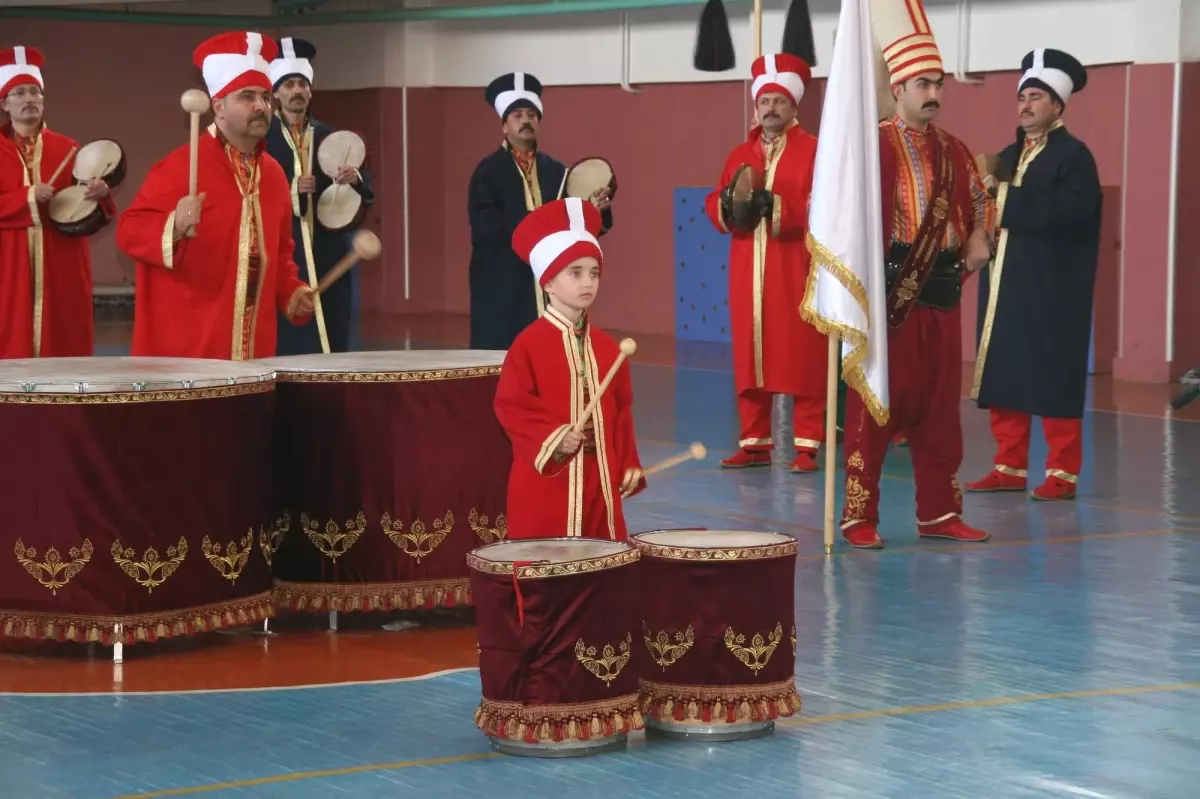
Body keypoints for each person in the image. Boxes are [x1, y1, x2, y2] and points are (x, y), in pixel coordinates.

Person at [839, 2, 995, 550]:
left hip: (943, 294)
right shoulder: (870, 145)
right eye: (922, 83)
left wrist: (980, 237)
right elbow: (834, 210)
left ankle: (940, 514)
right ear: (898, 87)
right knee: (875, 407)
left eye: (938, 83)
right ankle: (859, 516)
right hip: (888, 296)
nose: (933, 92)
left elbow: (980, 205)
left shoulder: (955, 151)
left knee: (938, 411)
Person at [116, 31, 314, 361]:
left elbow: (279, 254)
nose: (261, 106)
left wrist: (291, 291)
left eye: (265, 97)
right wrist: (174, 226)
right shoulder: (180, 166)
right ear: (218, 106)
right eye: (247, 96)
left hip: (255, 349)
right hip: (190, 347)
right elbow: (129, 231)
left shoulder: (275, 175)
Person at [966, 49, 1101, 502]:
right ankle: (1009, 465)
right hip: (1006, 281)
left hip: (1051, 288)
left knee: (1051, 370)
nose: (1025, 105)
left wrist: (1004, 199)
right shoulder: (1008, 154)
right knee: (1006, 365)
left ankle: (1062, 471)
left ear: (1058, 105)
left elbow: (1077, 213)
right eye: (1022, 96)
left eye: (1036, 97)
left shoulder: (1074, 157)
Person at [704, 53, 828, 473]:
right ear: (756, 107)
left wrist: (778, 207)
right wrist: (724, 205)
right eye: (764, 102)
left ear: (794, 106)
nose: (770, 109)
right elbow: (715, 201)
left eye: (779, 101)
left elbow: (826, 209)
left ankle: (808, 445)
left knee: (803, 354)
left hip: (795, 267)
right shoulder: (739, 153)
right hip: (746, 269)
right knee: (750, 354)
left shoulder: (815, 151)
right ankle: (754, 442)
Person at [493, 197, 644, 540]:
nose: (587, 282)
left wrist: (628, 462)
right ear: (547, 282)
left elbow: (621, 412)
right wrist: (554, 436)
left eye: (593, 273)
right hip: (550, 482)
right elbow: (511, 405)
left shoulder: (608, 347)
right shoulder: (527, 344)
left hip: (599, 479)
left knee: (602, 563)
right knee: (546, 567)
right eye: (575, 273)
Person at [467, 72, 614, 350]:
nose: (525, 121)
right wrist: (535, 225)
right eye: (517, 116)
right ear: (504, 126)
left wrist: (597, 211)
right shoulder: (487, 172)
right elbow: (483, 224)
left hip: (548, 278)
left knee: (549, 353)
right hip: (502, 279)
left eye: (532, 115)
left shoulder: (557, 171)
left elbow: (574, 223)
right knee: (500, 354)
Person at [0, 45, 113, 359]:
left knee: (63, 341)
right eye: (20, 93)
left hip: (61, 261)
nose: (29, 99)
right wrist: (27, 197)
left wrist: (99, 196)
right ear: (5, 103)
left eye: (35, 92)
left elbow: (86, 214)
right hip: (8, 265)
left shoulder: (69, 148)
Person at [266, 36, 375, 355]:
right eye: (288, 85)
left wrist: (353, 178)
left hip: (327, 252)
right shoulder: (263, 140)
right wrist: (290, 189)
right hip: (284, 253)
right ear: (275, 92)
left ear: (310, 89)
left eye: (302, 84)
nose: (296, 91)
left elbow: (363, 191)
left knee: (331, 331)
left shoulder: (330, 136)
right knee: (286, 337)